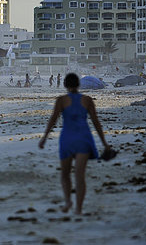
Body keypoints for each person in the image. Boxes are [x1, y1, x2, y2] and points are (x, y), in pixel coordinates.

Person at [38, 73, 110, 215]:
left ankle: (68, 201)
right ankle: (78, 208)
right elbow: (96, 122)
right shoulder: (87, 100)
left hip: (67, 139)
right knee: (79, 176)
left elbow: (53, 120)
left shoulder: (61, 100)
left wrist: (44, 138)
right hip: (83, 138)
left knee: (65, 174)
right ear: (78, 84)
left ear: (65, 84)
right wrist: (104, 143)